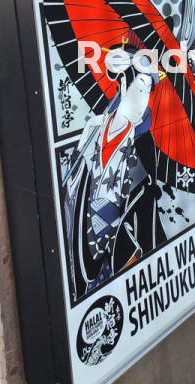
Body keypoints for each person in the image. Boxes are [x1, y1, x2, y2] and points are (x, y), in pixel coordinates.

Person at [63, 46, 166, 298]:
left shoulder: (143, 145)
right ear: (122, 84)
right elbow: (72, 186)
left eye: (147, 93)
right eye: (139, 90)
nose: (143, 102)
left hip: (118, 255)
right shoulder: (93, 128)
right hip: (81, 241)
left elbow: (148, 211)